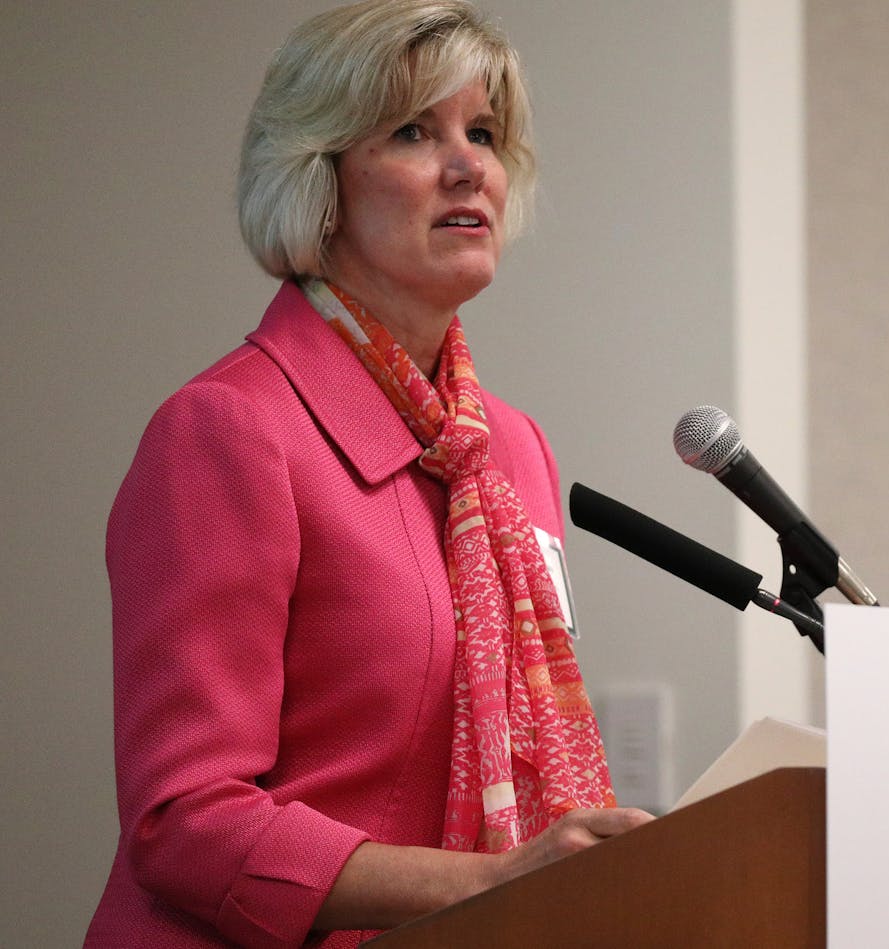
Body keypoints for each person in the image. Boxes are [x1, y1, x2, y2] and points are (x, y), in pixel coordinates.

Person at [85, 2, 652, 945]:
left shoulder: (511, 450)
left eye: (483, 132)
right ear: (321, 181)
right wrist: (495, 879)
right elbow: (179, 820)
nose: (468, 164)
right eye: (413, 132)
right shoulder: (226, 431)